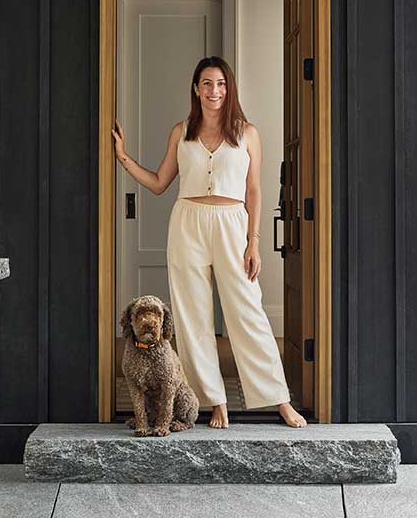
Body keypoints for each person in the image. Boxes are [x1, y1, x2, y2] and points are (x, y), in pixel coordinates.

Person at [111, 55, 307, 429]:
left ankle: (279, 400)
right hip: (187, 223)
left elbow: (253, 190)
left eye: (220, 83)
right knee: (192, 317)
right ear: (196, 89)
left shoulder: (247, 133)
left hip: (233, 223)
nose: (213, 91)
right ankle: (215, 402)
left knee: (248, 312)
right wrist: (123, 157)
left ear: (228, 88)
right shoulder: (181, 132)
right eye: (206, 83)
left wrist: (253, 241)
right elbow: (158, 183)